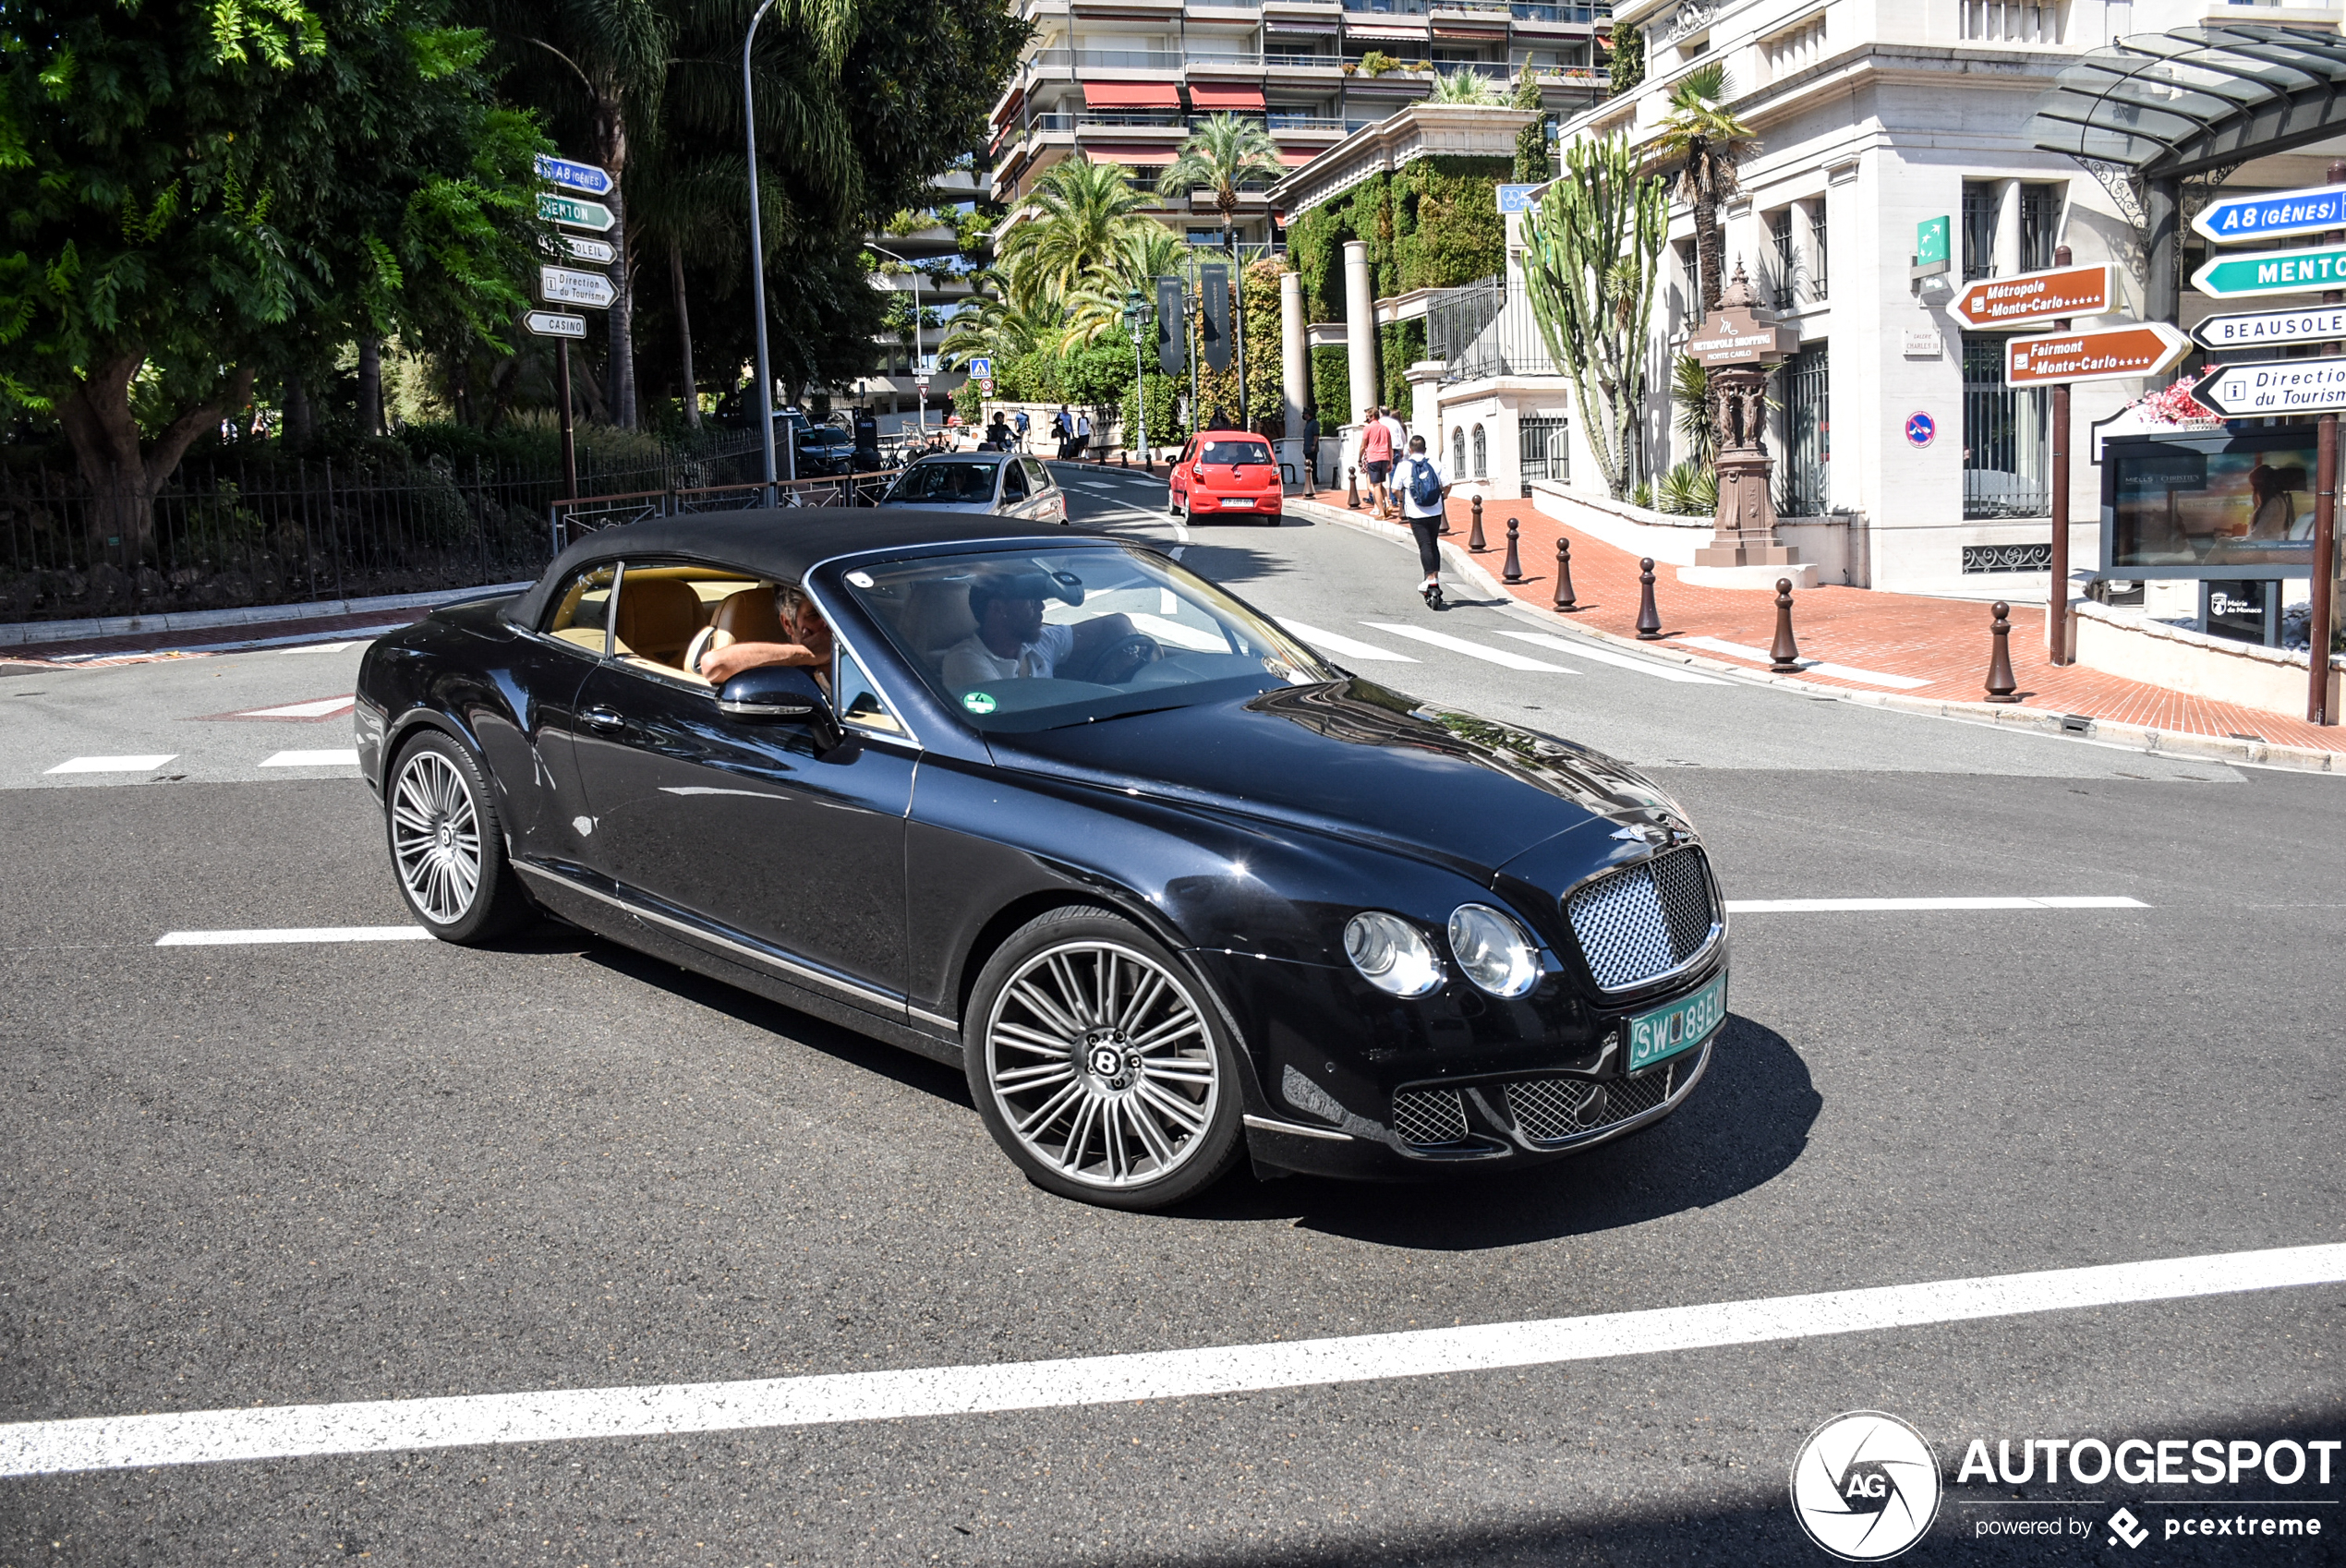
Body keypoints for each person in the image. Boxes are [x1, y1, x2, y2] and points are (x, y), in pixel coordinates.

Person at [941, 572, 1139, 689]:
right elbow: (1011, 713)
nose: (1041, 608)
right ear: (997, 609)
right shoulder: (963, 660)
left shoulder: (1040, 642)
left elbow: (1115, 624)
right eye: (1030, 601)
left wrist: (1131, 657)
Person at [693, 584, 834, 687]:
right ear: (788, 624)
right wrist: (807, 652)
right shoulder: (781, 672)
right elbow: (714, 665)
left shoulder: (853, 644)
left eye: (833, 613)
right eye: (814, 615)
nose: (828, 623)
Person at [1396, 433, 1453, 609]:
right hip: (1435, 511)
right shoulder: (1434, 463)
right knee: (1433, 543)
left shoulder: (1404, 466)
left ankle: (1430, 579)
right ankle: (1434, 578)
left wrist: (1402, 502)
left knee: (1424, 545)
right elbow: (1448, 484)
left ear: (1410, 450)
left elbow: (1395, 488)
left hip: (1416, 513)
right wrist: (1443, 497)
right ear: (1425, 449)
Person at [1357, 405, 1395, 519]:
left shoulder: (1367, 428)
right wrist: (1390, 461)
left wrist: (1359, 458)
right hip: (1384, 457)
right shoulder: (1385, 428)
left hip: (1373, 457)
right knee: (1381, 483)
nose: (1367, 418)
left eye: (1368, 416)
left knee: (1376, 485)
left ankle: (1382, 512)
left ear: (1372, 416)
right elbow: (1390, 446)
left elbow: (1363, 446)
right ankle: (1387, 504)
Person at [1301, 404, 1321, 489]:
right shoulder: (1307, 424)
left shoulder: (1314, 423)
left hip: (1311, 447)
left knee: (1313, 464)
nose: (1304, 415)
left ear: (1308, 414)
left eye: (1305, 414)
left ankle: (1314, 479)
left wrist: (1313, 445)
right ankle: (1309, 479)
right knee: (1308, 464)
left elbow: (1316, 435)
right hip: (1307, 447)